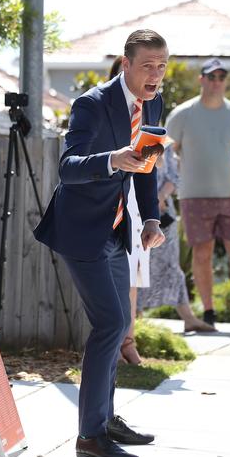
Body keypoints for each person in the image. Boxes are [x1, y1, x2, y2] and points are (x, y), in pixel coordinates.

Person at [34, 29, 167, 457]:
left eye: (162, 66)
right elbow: (67, 168)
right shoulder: (91, 103)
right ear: (125, 64)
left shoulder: (154, 103)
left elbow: (145, 168)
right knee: (111, 324)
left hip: (116, 229)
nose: (156, 74)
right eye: (148, 65)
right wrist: (113, 158)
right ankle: (89, 435)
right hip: (80, 230)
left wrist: (150, 219)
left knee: (118, 321)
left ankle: (105, 419)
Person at [165, 58, 230, 329]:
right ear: (201, 79)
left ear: (225, 81)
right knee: (202, 254)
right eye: (211, 77)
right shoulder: (182, 114)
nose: (216, 82)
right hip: (194, 195)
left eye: (221, 77)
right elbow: (168, 153)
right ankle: (209, 311)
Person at [137, 145, 216, 333]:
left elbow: (173, 176)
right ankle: (135, 320)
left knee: (171, 264)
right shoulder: (129, 138)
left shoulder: (165, 143)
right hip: (135, 209)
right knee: (137, 266)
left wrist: (160, 197)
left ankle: (188, 317)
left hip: (163, 212)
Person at [107, 55, 149, 365]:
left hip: (138, 200)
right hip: (111, 200)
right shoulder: (104, 111)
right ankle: (110, 342)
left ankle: (128, 341)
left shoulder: (150, 109)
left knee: (133, 274)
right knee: (109, 276)